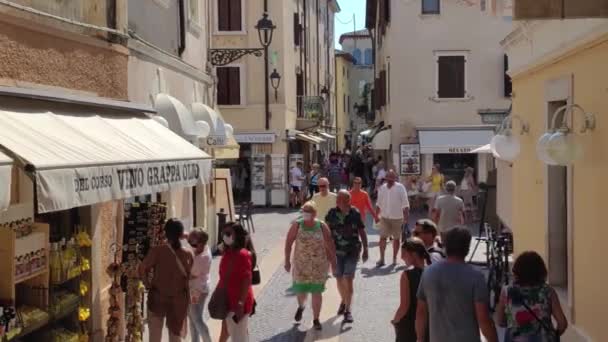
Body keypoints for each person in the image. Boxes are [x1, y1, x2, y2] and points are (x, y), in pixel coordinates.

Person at [416, 226, 498, 342]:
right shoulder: (476, 277)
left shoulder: (428, 272)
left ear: (446, 246)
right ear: (467, 248)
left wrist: (419, 339)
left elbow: (421, 312)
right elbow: (483, 319)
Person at [284, 201, 337, 330]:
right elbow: (289, 242)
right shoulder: (297, 225)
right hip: (301, 265)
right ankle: (301, 306)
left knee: (317, 292)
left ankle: (316, 319)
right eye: (304, 211)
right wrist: (287, 260)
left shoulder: (322, 226)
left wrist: (334, 263)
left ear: (314, 213)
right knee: (301, 291)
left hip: (319, 265)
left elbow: (330, 244)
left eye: (309, 211)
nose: (306, 214)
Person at [139, 219, 193, 342]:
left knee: (155, 337)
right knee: (175, 337)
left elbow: (142, 268)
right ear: (181, 234)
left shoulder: (157, 251)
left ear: (165, 233)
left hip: (158, 297)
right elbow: (189, 278)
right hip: (178, 300)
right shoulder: (188, 254)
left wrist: (147, 284)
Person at [496, 251, 568, 342]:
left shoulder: (507, 291)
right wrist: (553, 335)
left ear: (517, 271)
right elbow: (562, 323)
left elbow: (500, 321)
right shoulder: (547, 291)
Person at [325, 190, 369, 323]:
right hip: (336, 252)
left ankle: (348, 310)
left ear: (348, 200)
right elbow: (326, 234)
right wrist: (326, 251)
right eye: (338, 199)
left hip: (352, 251)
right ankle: (343, 301)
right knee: (339, 278)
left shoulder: (355, 213)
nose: (338, 201)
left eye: (341, 199)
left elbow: (361, 230)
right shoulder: (331, 213)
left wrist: (366, 248)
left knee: (348, 278)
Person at [216, 223, 255, 342]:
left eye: (228, 234)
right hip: (229, 301)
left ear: (236, 236)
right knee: (237, 334)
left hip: (238, 303)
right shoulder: (228, 253)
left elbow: (246, 280)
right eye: (223, 233)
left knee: (238, 337)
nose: (225, 236)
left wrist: (240, 303)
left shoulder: (243, 255)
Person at [392, 238, 431, 342]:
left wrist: (395, 320)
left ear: (413, 254)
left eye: (404, 253)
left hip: (409, 325)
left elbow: (404, 306)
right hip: (429, 325)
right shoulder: (433, 272)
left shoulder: (407, 275)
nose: (401, 257)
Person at [375, 170, 410, 267]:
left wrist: (406, 218)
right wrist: (376, 215)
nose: (390, 180)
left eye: (392, 177)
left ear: (395, 178)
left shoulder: (400, 188)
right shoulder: (382, 188)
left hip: (397, 218)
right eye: (388, 177)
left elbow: (405, 203)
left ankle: (394, 258)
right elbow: (378, 203)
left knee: (396, 239)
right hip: (385, 217)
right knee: (382, 238)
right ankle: (382, 259)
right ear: (386, 178)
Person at [187, 229, 213, 342]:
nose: (191, 245)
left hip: (196, 291)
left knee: (196, 320)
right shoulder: (205, 248)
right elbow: (189, 237)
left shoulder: (201, 258)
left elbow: (190, 275)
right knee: (193, 320)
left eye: (193, 243)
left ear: (200, 243)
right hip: (200, 288)